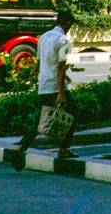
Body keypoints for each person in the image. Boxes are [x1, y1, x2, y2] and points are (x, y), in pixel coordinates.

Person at [12, 9, 76, 170]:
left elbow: (40, 64)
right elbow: (60, 67)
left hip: (44, 85)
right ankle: (63, 149)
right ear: (67, 23)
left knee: (40, 120)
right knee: (74, 112)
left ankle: (20, 147)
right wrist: (61, 94)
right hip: (56, 86)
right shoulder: (63, 40)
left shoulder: (44, 37)